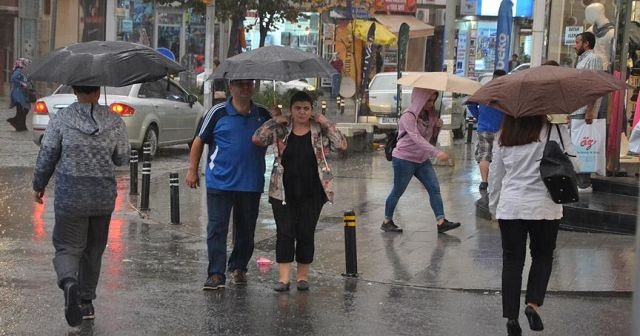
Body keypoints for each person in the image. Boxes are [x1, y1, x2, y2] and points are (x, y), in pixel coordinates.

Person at [32, 85, 130, 326]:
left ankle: (69, 283)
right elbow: (122, 157)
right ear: (98, 91)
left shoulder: (62, 119)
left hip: (70, 196)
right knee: (93, 251)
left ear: (75, 91)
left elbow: (47, 153)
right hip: (102, 198)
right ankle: (86, 304)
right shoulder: (115, 121)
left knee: (67, 247)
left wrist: (39, 184)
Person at [489, 115, 578, 336]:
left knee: (512, 262)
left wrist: (493, 206)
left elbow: (496, 174)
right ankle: (533, 305)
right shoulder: (554, 130)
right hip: (544, 206)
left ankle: (511, 318)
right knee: (542, 256)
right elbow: (575, 165)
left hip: (510, 207)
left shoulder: (503, 133)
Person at [186, 79, 277, 290]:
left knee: (246, 230)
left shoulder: (263, 114)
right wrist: (192, 170)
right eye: (240, 84)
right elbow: (199, 140)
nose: (245, 88)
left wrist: (278, 120)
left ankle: (239, 267)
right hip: (220, 181)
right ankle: (216, 273)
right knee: (217, 228)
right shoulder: (217, 112)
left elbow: (279, 139)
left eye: (249, 84)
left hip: (251, 182)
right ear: (231, 88)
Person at [252, 91, 347, 292]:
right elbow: (257, 139)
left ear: (311, 110)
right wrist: (274, 120)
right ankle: (284, 278)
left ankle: (302, 277)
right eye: (297, 108)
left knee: (306, 233)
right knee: (284, 233)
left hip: (312, 191)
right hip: (283, 191)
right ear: (291, 110)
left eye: (306, 108)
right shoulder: (282, 129)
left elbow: (341, 144)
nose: (302, 112)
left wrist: (324, 120)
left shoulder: (318, 130)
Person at [381, 88, 461, 234]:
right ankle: (387, 221)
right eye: (428, 100)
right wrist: (436, 153)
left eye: (433, 101)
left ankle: (441, 221)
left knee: (434, 188)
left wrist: (437, 127)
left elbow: (429, 138)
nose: (431, 104)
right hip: (404, 159)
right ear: (420, 98)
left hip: (422, 159)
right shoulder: (408, 116)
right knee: (398, 191)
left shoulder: (430, 115)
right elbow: (416, 138)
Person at [571, 31, 604, 188]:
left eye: (578, 42)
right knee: (576, 145)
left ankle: (584, 182)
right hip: (577, 109)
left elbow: (593, 85)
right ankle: (578, 180)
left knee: (584, 146)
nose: (575, 45)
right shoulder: (581, 60)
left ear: (586, 44)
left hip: (585, 111)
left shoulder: (593, 59)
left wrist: (590, 110)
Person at [466, 69, 507, 191]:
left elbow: (471, 104)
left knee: (484, 154)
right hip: (501, 129)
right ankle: (498, 179)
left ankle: (484, 181)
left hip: (484, 127)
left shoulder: (484, 90)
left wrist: (479, 116)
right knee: (500, 155)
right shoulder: (506, 93)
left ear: (493, 78)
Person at [585, 3, 614, 70]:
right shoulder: (591, 29)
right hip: (590, 67)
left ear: (598, 13)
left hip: (604, 69)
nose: (587, 17)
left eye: (589, 13)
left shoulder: (611, 32)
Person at [8, 58, 32, 131]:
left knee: (25, 109)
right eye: (27, 64)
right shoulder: (18, 71)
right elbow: (13, 79)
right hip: (18, 93)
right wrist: (22, 83)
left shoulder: (24, 72)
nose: (28, 66)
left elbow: (26, 80)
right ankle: (20, 125)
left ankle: (19, 124)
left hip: (23, 93)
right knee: (21, 109)